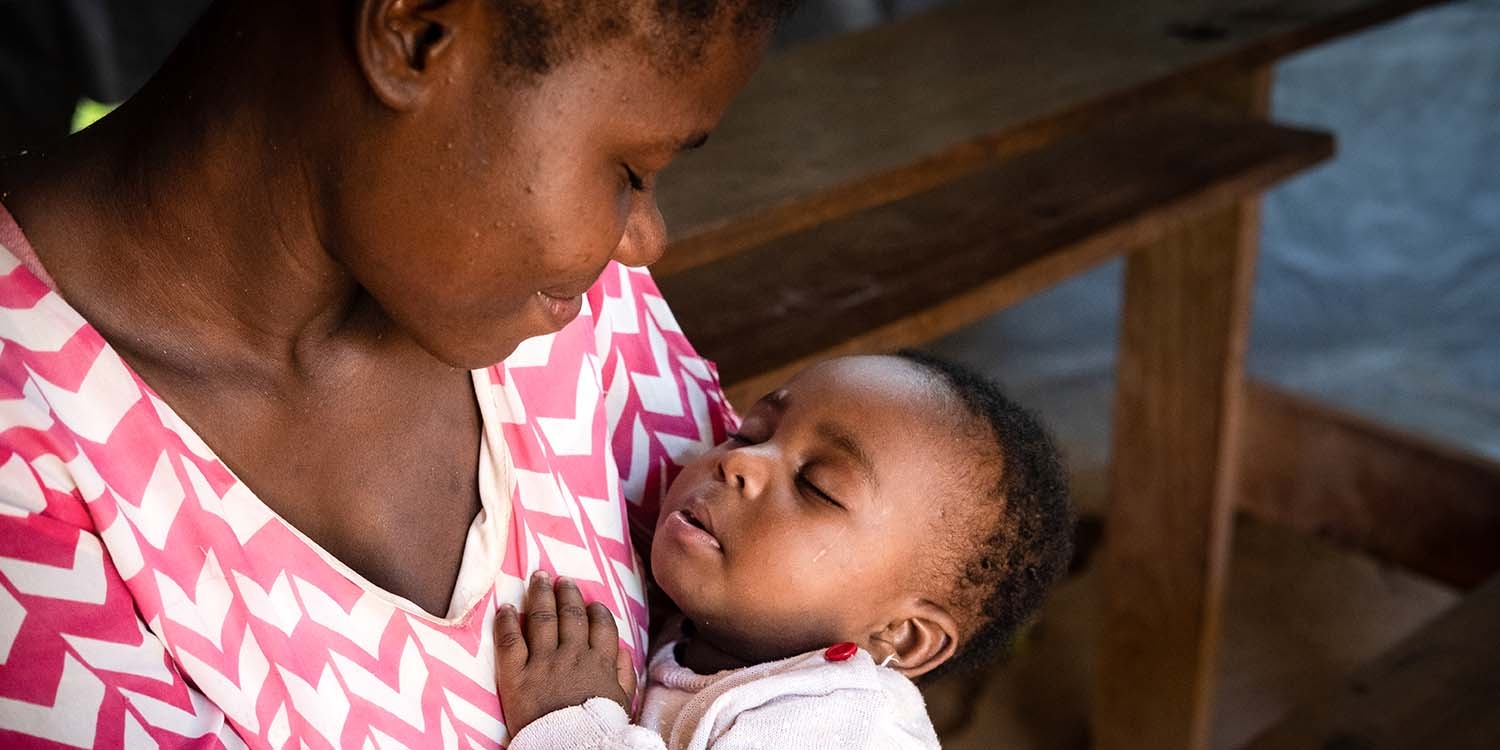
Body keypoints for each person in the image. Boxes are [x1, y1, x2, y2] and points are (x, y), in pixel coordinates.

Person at [0, 0, 795, 747]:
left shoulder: (550, 298)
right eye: (629, 170)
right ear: (413, 35)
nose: (643, 239)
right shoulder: (26, 458)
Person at [491, 352, 1075, 748]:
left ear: (900, 634)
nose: (738, 462)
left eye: (818, 486)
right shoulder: (705, 642)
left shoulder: (844, 725)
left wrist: (566, 723)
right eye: (751, 432)